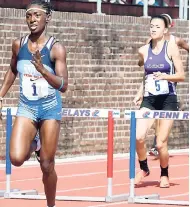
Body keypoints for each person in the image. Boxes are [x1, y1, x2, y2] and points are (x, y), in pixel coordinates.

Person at [0, 0, 68, 206]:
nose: (32, 20)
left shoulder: (56, 49)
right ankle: (35, 143)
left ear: (47, 18)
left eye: (37, 15)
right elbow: (12, 70)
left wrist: (44, 71)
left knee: (47, 165)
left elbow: (63, 85)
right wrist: (0, 94)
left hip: (49, 107)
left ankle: (51, 204)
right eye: (29, 15)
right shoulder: (18, 45)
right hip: (27, 106)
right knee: (16, 158)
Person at [133, 15, 185, 188]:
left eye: (157, 26)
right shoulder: (144, 50)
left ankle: (164, 173)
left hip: (168, 100)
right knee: (139, 137)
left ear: (165, 30)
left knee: (161, 143)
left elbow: (181, 76)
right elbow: (146, 74)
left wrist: (166, 76)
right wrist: (140, 92)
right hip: (149, 99)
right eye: (151, 26)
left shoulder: (171, 48)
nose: (153, 29)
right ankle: (144, 168)